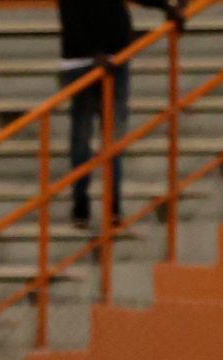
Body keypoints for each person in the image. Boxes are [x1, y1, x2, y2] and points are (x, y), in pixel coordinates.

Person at [55, 0, 182, 226]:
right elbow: (70, 14)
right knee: (83, 137)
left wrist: (166, 7)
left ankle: (112, 205)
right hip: (81, 63)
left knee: (112, 138)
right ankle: (82, 203)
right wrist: (94, 54)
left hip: (115, 59)